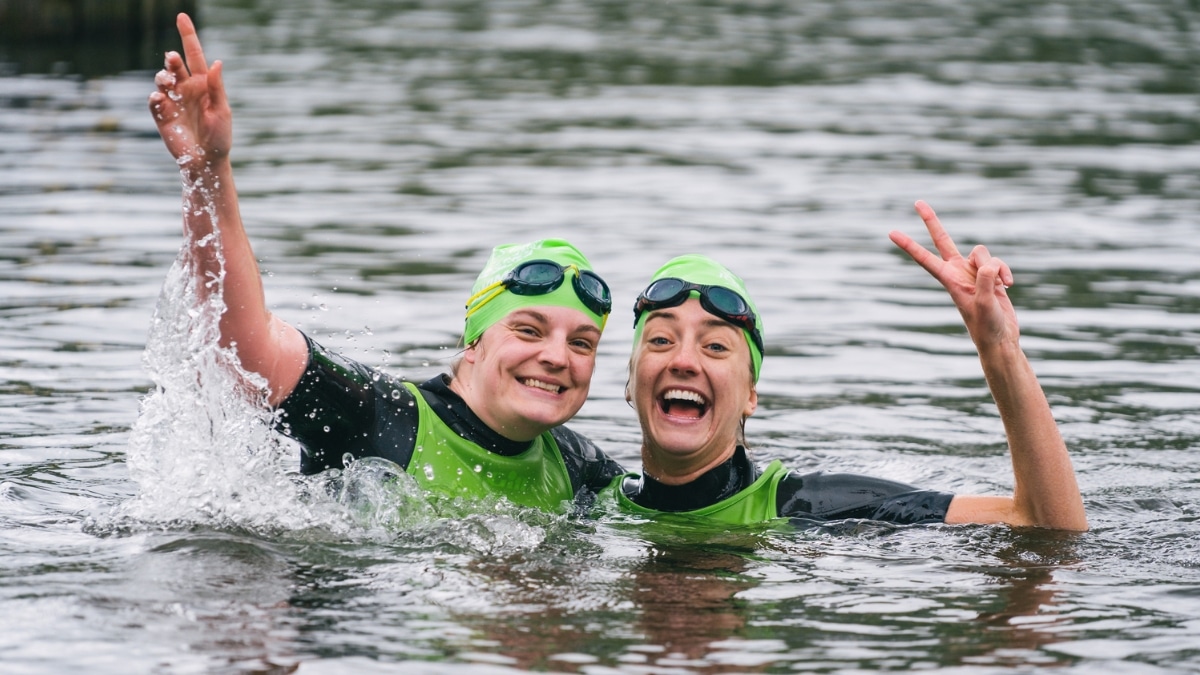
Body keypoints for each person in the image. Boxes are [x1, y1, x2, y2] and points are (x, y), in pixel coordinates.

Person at [147, 14, 624, 511]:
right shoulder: (383, 417)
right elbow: (246, 354)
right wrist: (208, 173)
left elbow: (673, 508)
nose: (557, 357)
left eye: (581, 343)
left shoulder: (579, 469)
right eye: (528, 330)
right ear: (474, 343)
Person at [604, 201, 1088, 531]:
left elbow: (1044, 524)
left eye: (715, 347)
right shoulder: (588, 496)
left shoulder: (816, 508)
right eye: (662, 340)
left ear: (751, 395)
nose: (684, 360)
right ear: (630, 381)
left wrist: (1000, 353)